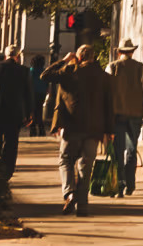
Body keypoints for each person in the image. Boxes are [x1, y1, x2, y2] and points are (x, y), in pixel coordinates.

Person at [46, 41, 115, 216]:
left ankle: (69, 193)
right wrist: (110, 130)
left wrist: (64, 60)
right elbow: (109, 105)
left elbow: (45, 76)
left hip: (72, 127)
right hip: (94, 129)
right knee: (86, 166)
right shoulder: (104, 77)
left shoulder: (70, 73)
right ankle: (82, 207)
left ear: (78, 57)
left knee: (66, 160)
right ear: (94, 57)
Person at [0, 48, 34, 188]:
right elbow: (28, 93)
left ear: (6, 55)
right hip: (15, 111)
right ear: (17, 56)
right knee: (11, 142)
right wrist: (29, 113)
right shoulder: (24, 71)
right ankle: (7, 172)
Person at [108, 42, 143, 198]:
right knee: (131, 150)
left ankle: (118, 185)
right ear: (132, 52)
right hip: (136, 115)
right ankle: (130, 185)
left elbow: (107, 92)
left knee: (118, 151)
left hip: (117, 115)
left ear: (119, 53)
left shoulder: (112, 67)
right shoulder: (141, 68)